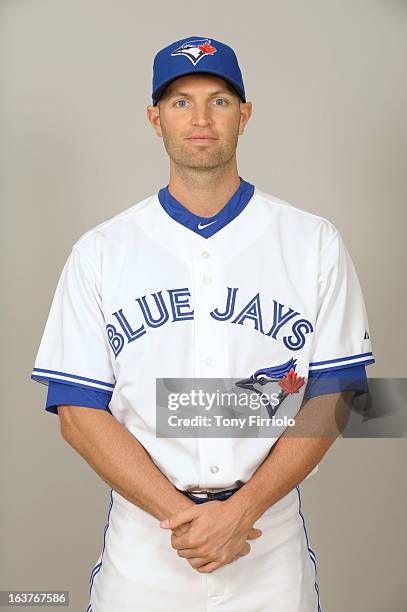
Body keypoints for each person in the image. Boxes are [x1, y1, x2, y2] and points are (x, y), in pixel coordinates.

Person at [31, 36, 375, 611]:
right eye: (180, 101)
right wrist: (183, 518)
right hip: (147, 544)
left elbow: (336, 393)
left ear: (244, 114)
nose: (200, 118)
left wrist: (241, 511)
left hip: (266, 536)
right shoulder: (102, 251)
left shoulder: (312, 241)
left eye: (218, 100)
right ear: (154, 118)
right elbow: (77, 410)